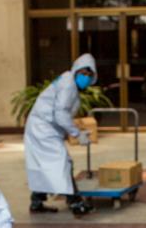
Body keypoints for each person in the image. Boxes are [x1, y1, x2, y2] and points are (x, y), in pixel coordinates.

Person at [23, 53, 98, 216]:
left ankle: (36, 203)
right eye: (83, 73)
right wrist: (77, 133)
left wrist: (74, 129)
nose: (85, 77)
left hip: (43, 127)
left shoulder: (68, 82)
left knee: (43, 166)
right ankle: (76, 204)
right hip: (43, 128)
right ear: (76, 70)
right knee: (64, 163)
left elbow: (63, 112)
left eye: (89, 75)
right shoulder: (68, 84)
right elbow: (60, 114)